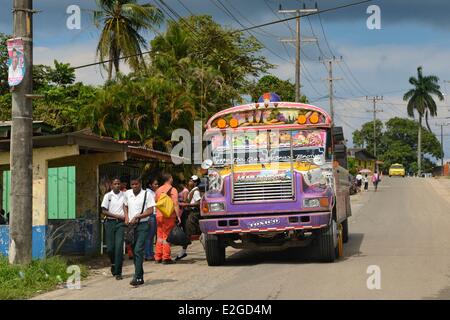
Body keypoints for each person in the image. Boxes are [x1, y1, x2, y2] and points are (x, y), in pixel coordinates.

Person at [124, 177, 156, 286]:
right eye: (132, 184)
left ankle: (136, 277)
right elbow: (125, 205)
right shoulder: (127, 193)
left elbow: (150, 210)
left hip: (143, 225)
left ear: (140, 184)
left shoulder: (147, 194)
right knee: (133, 250)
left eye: (136, 184)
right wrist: (126, 217)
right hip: (131, 226)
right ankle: (140, 276)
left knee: (138, 250)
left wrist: (139, 216)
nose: (134, 186)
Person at [101, 178, 126, 280]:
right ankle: (113, 263)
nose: (117, 185)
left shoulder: (124, 195)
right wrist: (117, 216)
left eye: (118, 184)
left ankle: (118, 272)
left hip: (120, 224)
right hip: (110, 223)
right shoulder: (108, 196)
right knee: (110, 248)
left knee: (119, 247)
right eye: (115, 184)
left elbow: (126, 207)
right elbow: (104, 210)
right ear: (111, 185)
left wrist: (126, 217)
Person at [155, 173, 181, 264]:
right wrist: (178, 216)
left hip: (159, 215)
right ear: (170, 179)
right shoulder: (173, 189)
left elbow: (156, 201)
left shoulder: (158, 190)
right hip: (168, 216)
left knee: (159, 237)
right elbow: (175, 203)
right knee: (167, 236)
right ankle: (166, 257)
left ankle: (158, 257)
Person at [176, 175, 202, 261]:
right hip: (189, 213)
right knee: (188, 233)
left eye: (191, 181)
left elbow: (198, 203)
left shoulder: (196, 191)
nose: (189, 182)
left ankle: (183, 252)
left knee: (189, 233)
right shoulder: (192, 191)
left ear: (195, 183)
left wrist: (186, 204)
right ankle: (183, 252)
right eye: (189, 180)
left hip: (192, 214)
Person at [144, 177, 159, 261]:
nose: (157, 185)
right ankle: (148, 254)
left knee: (151, 236)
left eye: (157, 184)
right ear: (150, 185)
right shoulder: (148, 193)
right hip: (151, 215)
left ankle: (150, 252)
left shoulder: (153, 192)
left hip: (154, 215)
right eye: (155, 184)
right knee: (149, 236)